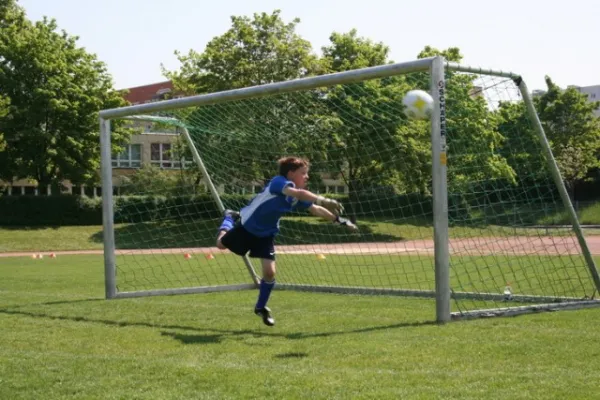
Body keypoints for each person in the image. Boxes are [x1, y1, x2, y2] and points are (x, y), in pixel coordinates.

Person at [216, 156, 358, 326]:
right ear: (290, 174)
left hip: (266, 234)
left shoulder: (296, 196)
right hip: (247, 227)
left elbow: (315, 209)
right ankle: (229, 219)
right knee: (221, 245)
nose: (307, 177)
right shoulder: (278, 182)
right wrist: (324, 199)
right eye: (303, 173)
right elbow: (299, 193)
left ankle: (261, 308)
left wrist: (340, 220)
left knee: (269, 273)